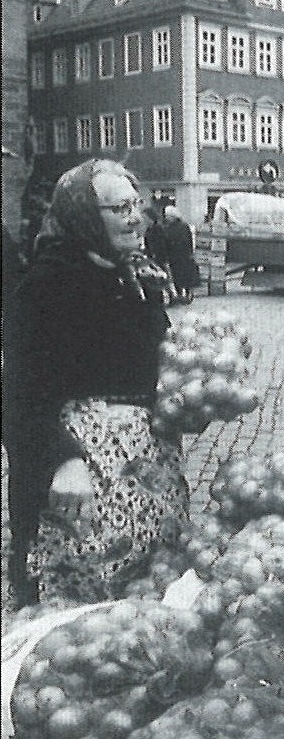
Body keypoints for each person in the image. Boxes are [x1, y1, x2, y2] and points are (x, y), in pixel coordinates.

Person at [1, 159, 186, 606]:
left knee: (146, 607)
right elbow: (19, 392)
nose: (135, 217)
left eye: (136, 205)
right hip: (80, 483)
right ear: (84, 216)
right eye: (118, 208)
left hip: (145, 478)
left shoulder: (130, 276)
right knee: (82, 621)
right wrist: (63, 459)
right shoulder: (50, 284)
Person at [163, 205, 200, 304]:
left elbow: (189, 240)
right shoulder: (167, 227)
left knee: (186, 275)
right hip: (173, 255)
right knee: (176, 275)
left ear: (173, 216)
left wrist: (191, 252)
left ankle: (188, 294)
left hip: (184, 254)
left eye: (168, 216)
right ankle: (179, 294)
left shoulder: (184, 226)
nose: (167, 218)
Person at [144, 206, 177, 304]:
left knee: (164, 277)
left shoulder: (157, 228)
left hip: (160, 257)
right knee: (158, 277)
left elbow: (162, 244)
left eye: (145, 217)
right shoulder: (149, 229)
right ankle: (164, 297)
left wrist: (157, 255)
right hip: (153, 257)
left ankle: (172, 296)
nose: (144, 220)